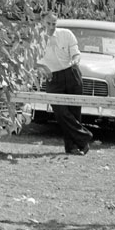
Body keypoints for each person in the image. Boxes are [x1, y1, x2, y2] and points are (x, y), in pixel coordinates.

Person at [38, 12, 93, 155]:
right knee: (61, 113)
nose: (51, 27)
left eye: (54, 24)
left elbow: (76, 53)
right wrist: (43, 68)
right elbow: (32, 62)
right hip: (52, 78)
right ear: (42, 22)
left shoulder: (66, 34)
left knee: (74, 114)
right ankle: (85, 137)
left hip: (71, 73)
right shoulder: (36, 39)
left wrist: (75, 60)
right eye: (48, 23)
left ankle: (74, 147)